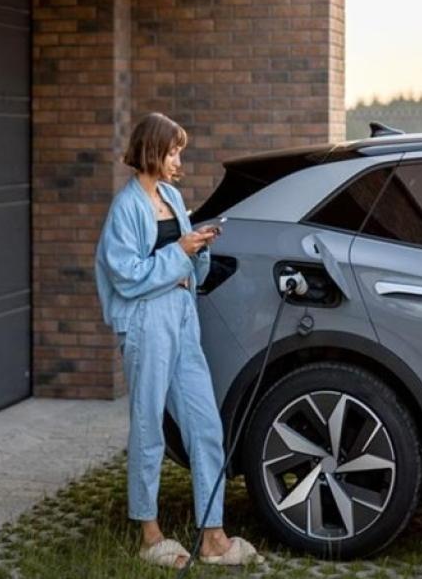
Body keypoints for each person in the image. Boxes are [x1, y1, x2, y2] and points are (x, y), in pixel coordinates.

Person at [94, 113, 262, 569]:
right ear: (152, 151)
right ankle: (150, 534)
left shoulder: (170, 196)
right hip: (148, 322)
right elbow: (126, 277)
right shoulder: (126, 208)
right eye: (173, 151)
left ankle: (213, 537)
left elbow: (182, 262)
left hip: (183, 318)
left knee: (206, 425)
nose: (178, 160)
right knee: (148, 426)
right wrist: (179, 252)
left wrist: (198, 247)